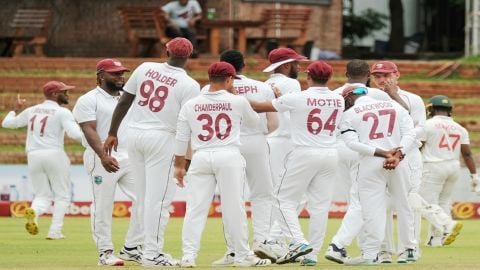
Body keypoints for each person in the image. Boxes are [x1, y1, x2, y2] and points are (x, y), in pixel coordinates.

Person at [104, 37, 200, 267]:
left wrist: (112, 132)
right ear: (189, 56)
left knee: (144, 197)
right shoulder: (190, 85)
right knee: (159, 201)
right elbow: (186, 126)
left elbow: (124, 101)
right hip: (162, 138)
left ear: (166, 51)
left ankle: (132, 246)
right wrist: (183, 159)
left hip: (134, 135)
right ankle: (152, 254)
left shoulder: (146, 67)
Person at [174, 61, 271, 267]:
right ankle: (243, 255)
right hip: (228, 155)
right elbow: (254, 123)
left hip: (201, 155)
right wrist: (235, 98)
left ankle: (188, 256)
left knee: (195, 209)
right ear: (229, 79)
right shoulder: (238, 101)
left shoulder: (191, 104)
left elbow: (181, 138)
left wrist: (179, 166)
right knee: (234, 207)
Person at [250, 61, 344, 266]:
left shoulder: (297, 97)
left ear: (308, 77)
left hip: (304, 153)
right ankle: (311, 255)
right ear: (328, 78)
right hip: (330, 153)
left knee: (281, 199)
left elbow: (258, 107)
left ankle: (298, 242)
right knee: (319, 207)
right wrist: (282, 99)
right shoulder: (338, 99)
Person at [201, 50, 280, 266]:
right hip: (255, 141)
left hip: (224, 144)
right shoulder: (263, 87)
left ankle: (233, 251)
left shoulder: (207, 89)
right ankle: (261, 241)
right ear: (243, 65)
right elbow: (274, 124)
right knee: (263, 194)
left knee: (231, 199)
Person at [72, 59, 143, 266]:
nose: (121, 77)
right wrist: (103, 156)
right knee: (103, 205)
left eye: (122, 73)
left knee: (145, 199)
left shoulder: (127, 98)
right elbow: (88, 129)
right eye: (115, 73)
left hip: (129, 156)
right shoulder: (88, 99)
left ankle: (131, 247)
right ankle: (105, 252)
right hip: (101, 156)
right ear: (101, 75)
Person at [338, 85, 417, 265]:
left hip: (371, 161)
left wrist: (383, 153)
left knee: (372, 208)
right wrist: (397, 154)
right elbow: (410, 134)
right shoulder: (396, 107)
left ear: (349, 98)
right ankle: (409, 250)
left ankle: (372, 254)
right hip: (399, 160)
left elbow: (352, 143)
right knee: (403, 203)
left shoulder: (349, 114)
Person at [2, 81, 83, 240]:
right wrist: (96, 143)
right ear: (54, 94)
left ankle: (35, 212)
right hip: (54, 154)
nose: (67, 95)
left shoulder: (32, 110)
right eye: (64, 92)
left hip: (33, 155)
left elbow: (7, 123)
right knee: (62, 195)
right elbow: (75, 134)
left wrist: (14, 109)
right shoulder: (62, 112)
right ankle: (55, 231)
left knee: (42, 194)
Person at [370, 60, 425, 263]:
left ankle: (408, 248)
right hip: (381, 155)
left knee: (408, 201)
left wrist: (400, 150)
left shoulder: (413, 99)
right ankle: (384, 250)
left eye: (386, 75)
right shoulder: (368, 99)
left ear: (397, 75)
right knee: (380, 203)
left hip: (408, 155)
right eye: (377, 76)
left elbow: (419, 129)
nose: (382, 80)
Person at [419, 95, 478, 246]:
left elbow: (418, 146)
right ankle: (436, 240)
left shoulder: (427, 125)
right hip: (453, 166)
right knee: (443, 203)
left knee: (425, 203)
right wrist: (474, 176)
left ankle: (448, 226)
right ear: (449, 111)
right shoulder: (460, 128)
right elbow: (467, 154)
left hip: (433, 166)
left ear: (431, 109)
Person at [262, 47, 307, 245]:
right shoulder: (292, 83)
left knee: (275, 193)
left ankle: (272, 241)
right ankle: (274, 241)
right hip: (287, 141)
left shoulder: (264, 84)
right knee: (295, 195)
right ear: (287, 65)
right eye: (296, 63)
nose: (298, 66)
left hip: (268, 140)